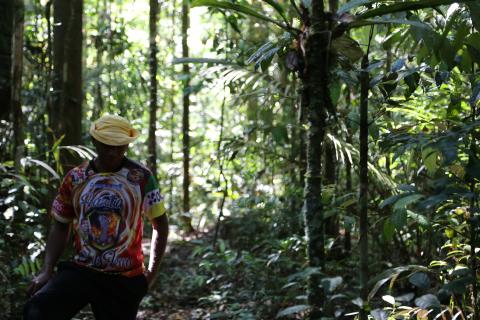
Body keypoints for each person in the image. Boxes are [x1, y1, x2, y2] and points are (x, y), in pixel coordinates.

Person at [23, 114, 169, 320]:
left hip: (124, 277)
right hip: (82, 270)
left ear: (127, 145)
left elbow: (160, 225)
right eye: (107, 145)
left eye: (120, 146)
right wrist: (47, 270)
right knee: (38, 310)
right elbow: (60, 225)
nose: (113, 152)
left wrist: (150, 274)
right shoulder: (76, 178)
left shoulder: (141, 178)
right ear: (94, 142)